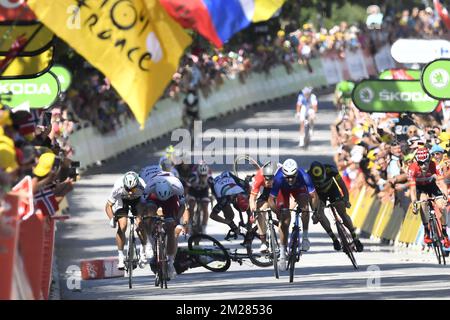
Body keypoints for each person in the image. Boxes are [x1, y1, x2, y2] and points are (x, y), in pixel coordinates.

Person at [268, 159, 319, 271]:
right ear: (284, 174)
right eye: (288, 177)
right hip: (283, 191)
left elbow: (314, 196)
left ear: (296, 173)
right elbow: (271, 200)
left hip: (298, 189)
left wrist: (315, 211)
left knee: (305, 207)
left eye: (292, 176)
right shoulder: (278, 178)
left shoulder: (304, 176)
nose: (290, 179)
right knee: (285, 221)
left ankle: (305, 237)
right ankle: (282, 253)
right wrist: (277, 212)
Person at [308, 161, 364, 252]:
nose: (321, 182)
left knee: (342, 211)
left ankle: (354, 237)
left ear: (325, 172)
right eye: (319, 181)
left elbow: (342, 185)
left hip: (332, 190)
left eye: (322, 179)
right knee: (320, 214)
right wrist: (315, 212)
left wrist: (346, 199)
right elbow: (312, 197)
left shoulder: (331, 169)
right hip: (319, 194)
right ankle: (334, 239)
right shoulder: (308, 177)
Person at [142, 169, 186, 279]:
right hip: (154, 197)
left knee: (171, 229)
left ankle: (170, 262)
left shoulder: (177, 186)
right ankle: (149, 242)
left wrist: (176, 219)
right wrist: (145, 219)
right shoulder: (150, 186)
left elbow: (182, 206)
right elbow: (142, 205)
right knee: (149, 215)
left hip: (171, 200)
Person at [408, 147, 450, 247]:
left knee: (442, 206)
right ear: (417, 162)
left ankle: (444, 232)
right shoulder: (412, 169)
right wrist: (414, 203)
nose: (423, 165)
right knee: (423, 202)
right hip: (419, 187)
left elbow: (441, 182)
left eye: (426, 162)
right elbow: (412, 189)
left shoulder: (434, 165)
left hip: (431, 185)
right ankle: (427, 231)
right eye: (420, 163)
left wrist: (445, 196)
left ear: (429, 160)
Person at [105, 171, 147, 270]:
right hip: (122, 201)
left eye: (133, 188)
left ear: (137, 185)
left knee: (140, 223)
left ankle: (143, 251)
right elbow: (108, 206)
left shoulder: (143, 187)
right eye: (128, 189)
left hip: (138, 201)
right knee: (122, 225)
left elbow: (148, 203)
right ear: (124, 185)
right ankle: (120, 256)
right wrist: (111, 218)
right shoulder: (118, 188)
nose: (130, 192)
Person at [209, 171, 250, 238]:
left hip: (228, 176)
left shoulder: (244, 192)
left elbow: (249, 188)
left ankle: (248, 225)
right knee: (230, 215)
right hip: (217, 183)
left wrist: (249, 222)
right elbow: (212, 215)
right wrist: (227, 222)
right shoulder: (224, 199)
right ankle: (232, 226)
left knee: (250, 204)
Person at [249, 162, 279, 252]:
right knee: (260, 210)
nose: (267, 182)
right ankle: (263, 243)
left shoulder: (280, 176)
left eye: (269, 180)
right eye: (266, 179)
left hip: (279, 187)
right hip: (267, 191)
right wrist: (253, 213)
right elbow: (252, 198)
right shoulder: (259, 177)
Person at [186, 160, 212, 235]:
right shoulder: (193, 176)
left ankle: (204, 227)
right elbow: (187, 187)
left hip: (204, 191)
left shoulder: (209, 178)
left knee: (205, 207)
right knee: (191, 204)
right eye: (201, 175)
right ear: (198, 173)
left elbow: (212, 188)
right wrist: (185, 196)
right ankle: (190, 224)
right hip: (193, 190)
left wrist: (212, 196)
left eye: (204, 175)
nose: (203, 177)